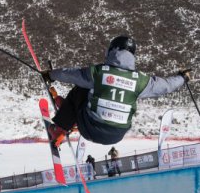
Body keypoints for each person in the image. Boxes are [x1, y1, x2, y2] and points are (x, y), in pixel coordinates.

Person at [43, 35, 191, 147]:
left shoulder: (99, 73)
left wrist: (50, 74)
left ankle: (61, 128)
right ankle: (72, 115)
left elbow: (70, 74)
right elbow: (166, 85)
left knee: (81, 87)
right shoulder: (140, 81)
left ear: (111, 51)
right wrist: (183, 78)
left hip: (90, 128)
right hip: (116, 137)